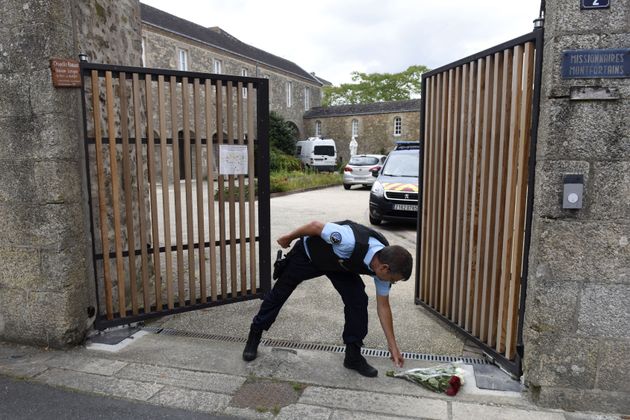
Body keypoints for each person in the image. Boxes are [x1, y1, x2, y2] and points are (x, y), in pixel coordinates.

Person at [242, 220, 413, 377]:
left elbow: (383, 307)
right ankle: (255, 333)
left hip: (340, 266)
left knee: (358, 300)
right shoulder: (349, 241)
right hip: (310, 255)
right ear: (385, 268)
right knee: (280, 292)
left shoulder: (383, 266)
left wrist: (393, 346)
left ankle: (353, 356)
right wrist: (288, 237)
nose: (391, 283)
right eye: (393, 280)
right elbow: (315, 226)